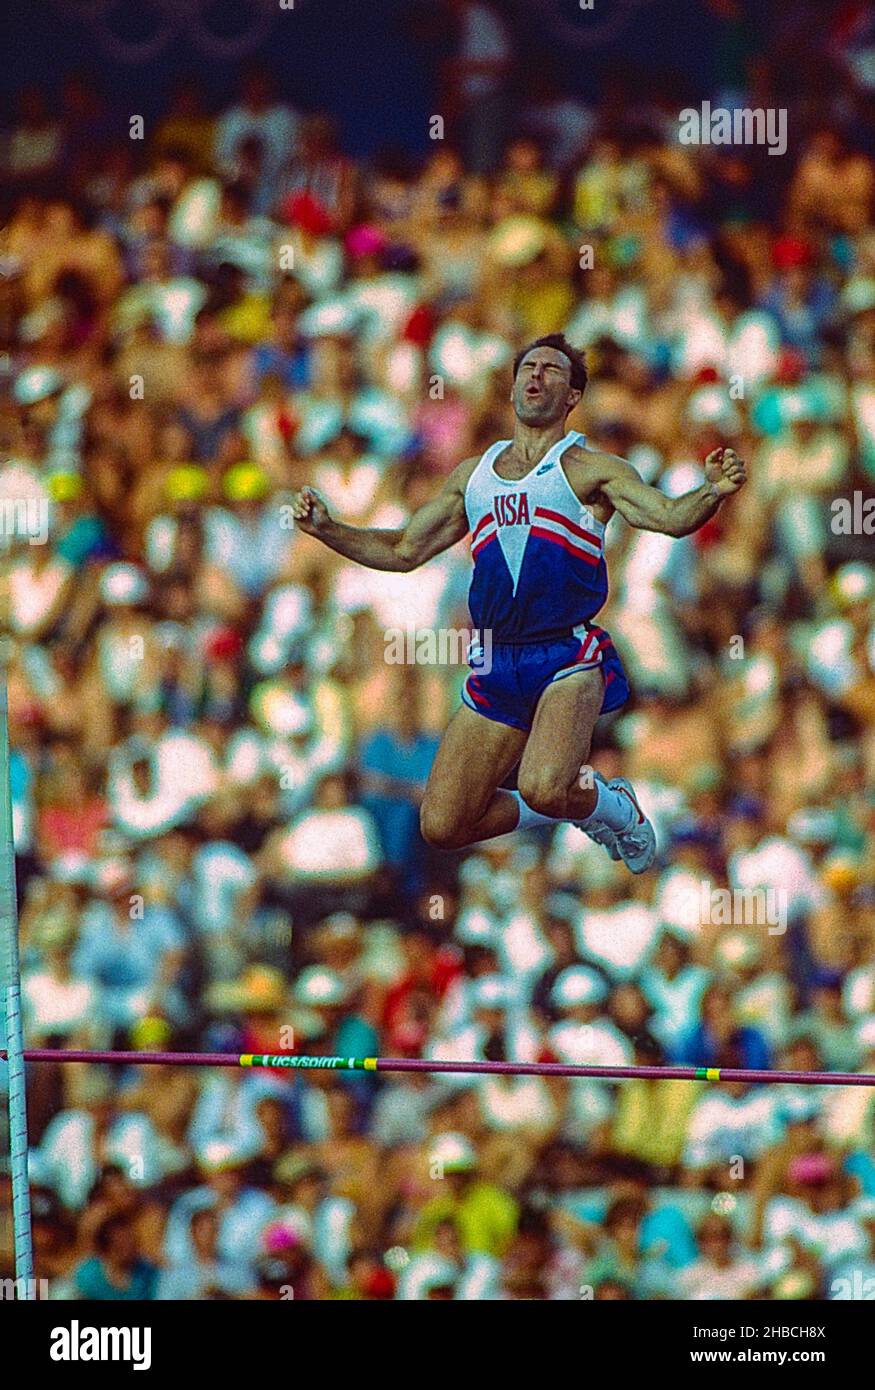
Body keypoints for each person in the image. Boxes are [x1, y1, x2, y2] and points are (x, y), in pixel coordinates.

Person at [292, 334, 747, 873]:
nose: (535, 376)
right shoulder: (472, 477)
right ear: (511, 387)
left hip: (566, 654)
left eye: (552, 370)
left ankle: (610, 806)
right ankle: (581, 808)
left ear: (573, 396)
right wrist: (329, 530)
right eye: (527, 367)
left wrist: (711, 492)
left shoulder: (591, 471)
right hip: (496, 658)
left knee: (546, 785)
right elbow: (404, 549)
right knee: (443, 824)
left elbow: (669, 518)